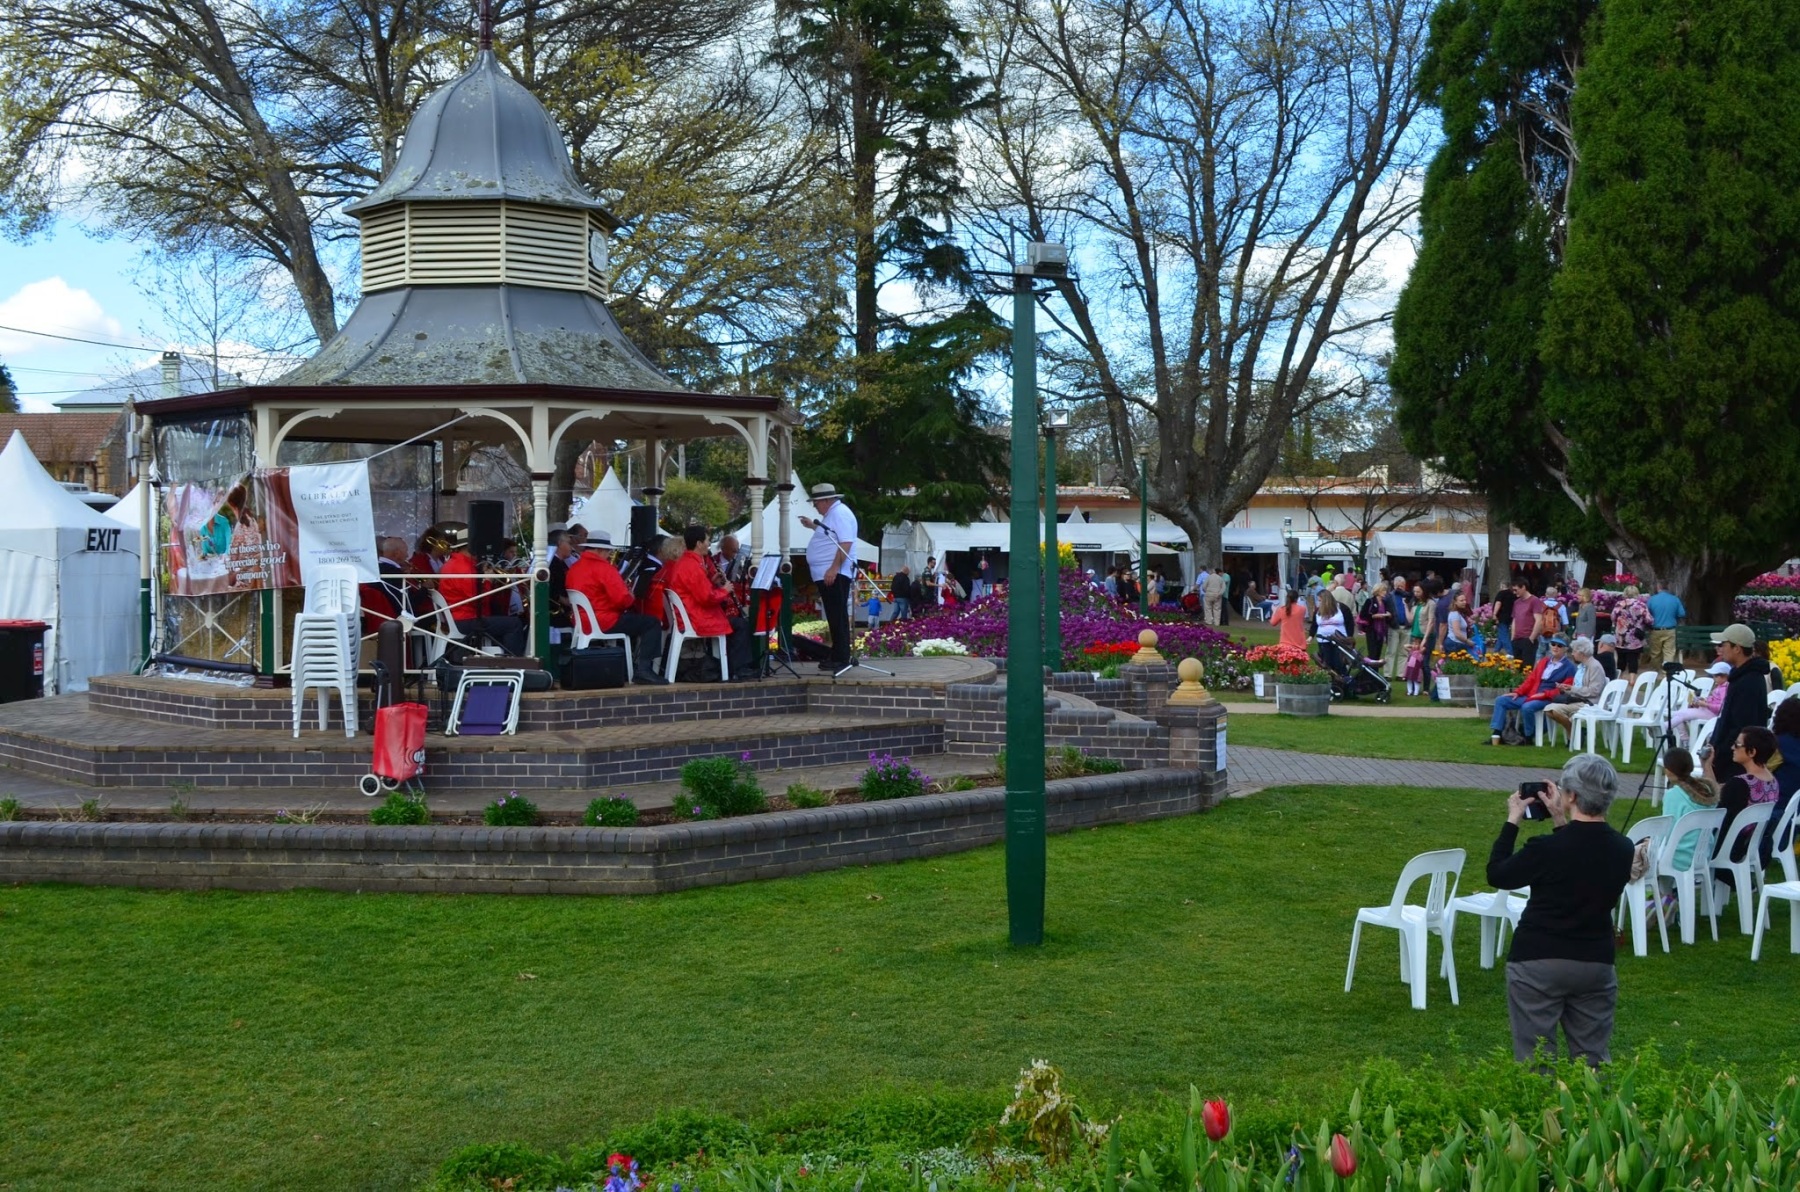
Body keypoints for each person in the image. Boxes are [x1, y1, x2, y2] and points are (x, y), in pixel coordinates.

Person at [1487, 753, 1635, 1067]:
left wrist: (1513, 819)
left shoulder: (1545, 849)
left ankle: (1541, 1100)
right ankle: (1596, 1100)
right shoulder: (1623, 848)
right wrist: (1559, 820)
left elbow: (1498, 874)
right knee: (1593, 1060)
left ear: (1571, 796)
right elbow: (1581, 856)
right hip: (1595, 962)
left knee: (1536, 1059)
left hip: (1538, 959)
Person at [565, 531, 663, 676]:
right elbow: (622, 601)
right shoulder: (605, 569)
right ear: (600, 550)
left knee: (636, 621)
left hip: (581, 621)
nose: (609, 554)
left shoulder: (574, 568)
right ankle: (644, 670)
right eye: (608, 551)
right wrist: (630, 596)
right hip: (604, 621)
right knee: (652, 623)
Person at [665, 527, 751, 678]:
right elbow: (707, 598)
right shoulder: (692, 566)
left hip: (692, 613)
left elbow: (698, 591)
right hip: (697, 617)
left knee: (737, 623)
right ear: (699, 543)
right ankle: (737, 670)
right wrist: (724, 590)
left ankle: (729, 667)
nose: (709, 544)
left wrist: (712, 582)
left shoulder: (686, 562)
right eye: (707, 540)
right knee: (741, 625)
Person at [437, 527, 526, 655]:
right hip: (466, 619)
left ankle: (502, 656)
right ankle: (514, 661)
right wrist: (488, 580)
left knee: (505, 617)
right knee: (514, 624)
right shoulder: (463, 567)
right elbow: (478, 599)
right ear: (471, 546)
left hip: (459, 616)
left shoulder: (457, 563)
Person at [799, 482, 857, 672]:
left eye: (816, 502)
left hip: (835, 573)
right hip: (829, 572)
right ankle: (837, 654)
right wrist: (812, 526)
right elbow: (831, 536)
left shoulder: (839, 514)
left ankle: (841, 657)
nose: (815, 506)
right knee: (833, 614)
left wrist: (833, 568)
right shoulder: (832, 515)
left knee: (837, 614)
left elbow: (845, 543)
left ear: (825, 500)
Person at [1709, 623, 1771, 784]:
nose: (1720, 649)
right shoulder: (1740, 676)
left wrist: (1721, 752)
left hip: (1734, 762)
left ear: (1737, 648)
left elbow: (1741, 725)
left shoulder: (1749, 681)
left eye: (1724, 645)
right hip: (1728, 755)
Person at [1488, 637, 1576, 744]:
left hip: (1548, 698)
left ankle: (1528, 736)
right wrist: (1518, 692)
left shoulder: (1570, 667)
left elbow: (1564, 690)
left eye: (1559, 645)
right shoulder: (1544, 661)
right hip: (1532, 694)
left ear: (1566, 649)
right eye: (1553, 644)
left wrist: (1543, 694)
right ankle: (1497, 734)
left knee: (1527, 707)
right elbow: (1531, 679)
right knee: (1501, 700)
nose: (1555, 647)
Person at [1657, 747, 1719, 873]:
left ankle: (1660, 886)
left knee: (1637, 852)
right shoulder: (1707, 791)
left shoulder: (1674, 795)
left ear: (1668, 770)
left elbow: (1667, 832)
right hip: (1703, 855)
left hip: (1677, 858)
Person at [1543, 637, 1609, 737]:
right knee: (1549, 710)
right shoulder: (1582, 666)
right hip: (1578, 700)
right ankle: (1576, 732)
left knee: (1553, 709)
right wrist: (1565, 689)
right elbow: (1577, 688)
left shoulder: (1594, 666)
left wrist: (1572, 688)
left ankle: (1573, 734)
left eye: (1574, 651)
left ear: (1582, 653)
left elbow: (1594, 691)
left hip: (1589, 703)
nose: (1572, 654)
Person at [1669, 660, 1730, 748]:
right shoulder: (1720, 687)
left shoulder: (1725, 688)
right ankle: (1684, 739)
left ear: (1723, 676)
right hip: (1707, 711)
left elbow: (1722, 707)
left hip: (1713, 714)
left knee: (1680, 714)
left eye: (1715, 676)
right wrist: (1705, 700)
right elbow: (1714, 699)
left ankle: (1667, 728)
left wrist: (1706, 705)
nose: (1714, 678)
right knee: (1678, 714)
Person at [1645, 580, 1686, 671]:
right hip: (1670, 630)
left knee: (1655, 653)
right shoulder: (1675, 599)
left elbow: (1646, 615)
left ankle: (1656, 671)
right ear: (1668, 587)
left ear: (1658, 587)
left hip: (1655, 630)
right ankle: (1667, 673)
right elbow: (1681, 614)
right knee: (1669, 653)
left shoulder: (1652, 599)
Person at [1611, 585, 1650, 678]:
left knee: (1621, 658)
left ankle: (1620, 677)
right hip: (1634, 635)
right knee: (1633, 658)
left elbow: (1613, 617)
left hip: (1621, 635)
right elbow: (1648, 619)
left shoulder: (1619, 604)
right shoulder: (1641, 605)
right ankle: (1632, 679)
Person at [1508, 579, 1544, 666]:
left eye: (1516, 590)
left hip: (1528, 639)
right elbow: (1515, 620)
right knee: (1517, 667)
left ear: (1523, 587)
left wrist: (1531, 638)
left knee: (1527, 667)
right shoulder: (1516, 603)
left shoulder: (1534, 601)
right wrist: (1512, 638)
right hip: (1517, 639)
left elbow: (1539, 620)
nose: (1514, 593)